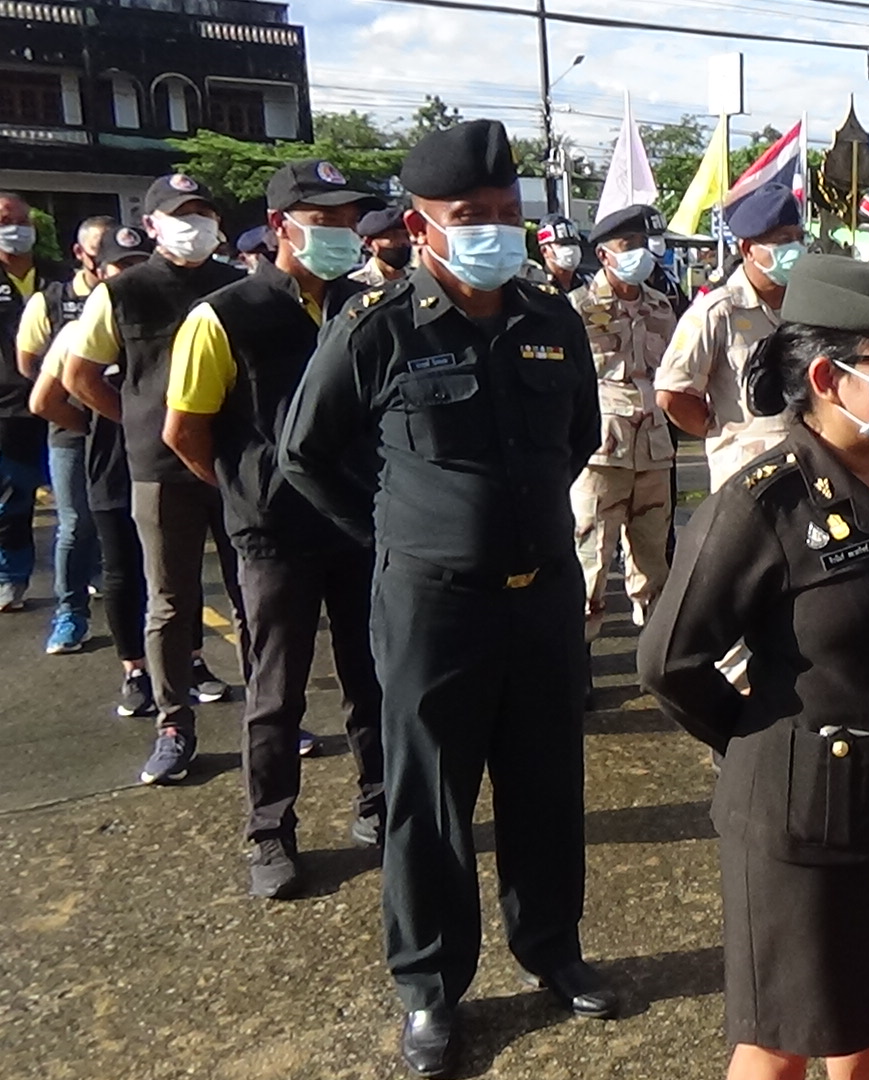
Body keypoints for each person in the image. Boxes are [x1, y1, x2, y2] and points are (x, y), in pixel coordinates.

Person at [278, 120, 614, 1078]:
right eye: (471, 215)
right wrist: (399, 530)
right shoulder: (376, 328)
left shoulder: (551, 322)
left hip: (543, 596)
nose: (494, 229)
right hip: (433, 606)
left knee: (548, 782)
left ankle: (551, 947)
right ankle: (429, 986)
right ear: (421, 226)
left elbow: (577, 438)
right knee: (429, 799)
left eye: (506, 212)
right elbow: (304, 453)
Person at [638, 254, 869, 1080]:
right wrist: (763, 739)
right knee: (783, 1035)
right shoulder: (764, 501)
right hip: (803, 820)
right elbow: (669, 659)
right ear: (826, 377)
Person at [161, 160, 387, 899]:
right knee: (277, 687)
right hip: (274, 533)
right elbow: (184, 430)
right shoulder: (224, 316)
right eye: (325, 223)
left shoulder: (364, 305)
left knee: (371, 672)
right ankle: (270, 832)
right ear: (280, 227)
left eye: (349, 222)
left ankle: (379, 802)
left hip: (357, 521)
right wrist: (245, 490)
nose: (343, 234)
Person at [64, 173, 245, 785]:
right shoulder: (122, 292)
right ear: (152, 225)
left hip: (234, 461)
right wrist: (139, 417)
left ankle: (272, 713)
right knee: (169, 599)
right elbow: (80, 376)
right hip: (162, 468)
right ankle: (173, 724)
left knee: (253, 594)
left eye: (203, 212)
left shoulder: (237, 286)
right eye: (180, 213)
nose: (195, 224)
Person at [30, 224, 159, 715]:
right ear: (99, 271)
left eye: (139, 265)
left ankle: (192, 663)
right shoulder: (78, 330)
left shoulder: (170, 320)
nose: (131, 276)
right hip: (111, 466)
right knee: (118, 566)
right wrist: (101, 426)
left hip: (163, 464)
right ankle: (133, 670)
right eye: (120, 267)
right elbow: (46, 400)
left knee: (171, 571)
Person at [571, 203, 678, 640]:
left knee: (654, 563)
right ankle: (578, 658)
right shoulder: (577, 307)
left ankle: (657, 655)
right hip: (601, 454)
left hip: (653, 449)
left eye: (643, 243)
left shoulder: (662, 307)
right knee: (591, 562)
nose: (639, 252)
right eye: (627, 244)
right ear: (604, 254)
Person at [657, 181, 801, 488]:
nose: (796, 249)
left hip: (804, 468)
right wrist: (722, 433)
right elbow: (672, 394)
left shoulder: (806, 308)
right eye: (783, 240)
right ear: (748, 249)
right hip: (744, 478)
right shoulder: (717, 312)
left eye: (799, 239)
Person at [15, 215, 113, 651]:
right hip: (73, 431)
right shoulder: (52, 302)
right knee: (76, 524)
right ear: (80, 253)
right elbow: (29, 367)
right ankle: (70, 613)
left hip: (125, 434)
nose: (109, 263)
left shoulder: (132, 296)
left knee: (125, 525)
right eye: (99, 253)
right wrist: (80, 415)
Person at [0, 190, 58, 613]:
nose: (16, 229)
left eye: (22, 221)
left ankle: (90, 571)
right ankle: (11, 578)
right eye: (5, 221)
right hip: (8, 409)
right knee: (12, 500)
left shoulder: (58, 277)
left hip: (61, 401)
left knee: (80, 500)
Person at [350, 206, 412, 286]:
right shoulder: (356, 284)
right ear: (369, 243)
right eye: (393, 236)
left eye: (406, 235)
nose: (403, 241)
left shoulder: (419, 279)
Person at [535, 213, 587, 295]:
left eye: (574, 242)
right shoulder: (536, 288)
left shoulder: (589, 284)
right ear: (544, 251)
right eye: (563, 243)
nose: (571, 248)